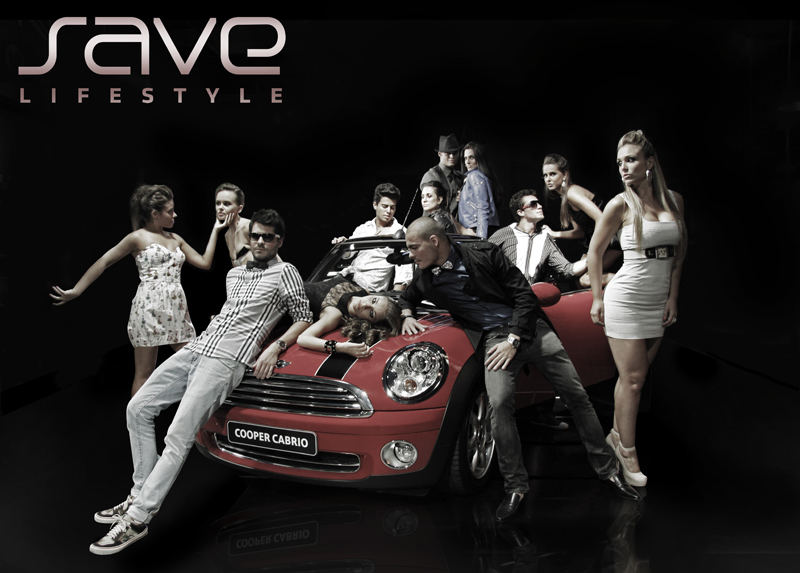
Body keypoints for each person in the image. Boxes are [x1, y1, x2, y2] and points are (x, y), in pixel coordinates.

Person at [89, 209, 313, 555]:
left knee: (178, 436)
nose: (259, 242)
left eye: (268, 237)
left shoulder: (286, 272)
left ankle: (137, 519)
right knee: (138, 408)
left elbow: (303, 316)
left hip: (226, 360)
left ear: (279, 240)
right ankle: (137, 494)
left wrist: (276, 347)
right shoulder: (235, 274)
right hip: (198, 347)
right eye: (255, 235)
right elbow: (230, 313)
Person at [400, 218, 640, 523]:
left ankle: (608, 471)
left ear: (434, 241)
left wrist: (514, 338)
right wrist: (407, 314)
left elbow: (525, 295)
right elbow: (407, 297)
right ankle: (515, 486)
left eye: (413, 247)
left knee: (577, 396)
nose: (410, 254)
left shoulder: (486, 253)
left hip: (529, 330)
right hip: (494, 340)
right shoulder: (425, 276)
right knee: (499, 405)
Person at [51, 184, 230, 396]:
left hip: (176, 309)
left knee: (197, 361)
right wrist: (77, 290)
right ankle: (136, 418)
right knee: (144, 374)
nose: (175, 215)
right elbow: (104, 261)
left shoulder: (176, 239)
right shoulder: (137, 237)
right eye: (170, 211)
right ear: (155, 214)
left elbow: (204, 263)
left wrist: (215, 230)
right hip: (148, 309)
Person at [587, 130, 687, 488]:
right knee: (633, 379)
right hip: (626, 299)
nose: (624, 167)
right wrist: (598, 297)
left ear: (650, 163)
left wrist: (672, 297)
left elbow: (679, 254)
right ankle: (627, 452)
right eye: (620, 162)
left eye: (630, 160)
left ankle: (616, 435)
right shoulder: (620, 204)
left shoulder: (674, 200)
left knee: (632, 380)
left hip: (657, 300)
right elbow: (595, 252)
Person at [542, 154, 620, 286]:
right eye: (545, 175)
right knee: (576, 276)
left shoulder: (572, 193)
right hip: (597, 239)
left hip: (612, 238)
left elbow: (601, 218)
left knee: (585, 280)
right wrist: (554, 234)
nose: (548, 179)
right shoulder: (565, 198)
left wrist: (593, 250)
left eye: (552, 174)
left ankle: (635, 281)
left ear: (564, 174)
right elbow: (580, 232)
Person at [489, 190, 587, 286]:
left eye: (539, 203)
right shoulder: (505, 233)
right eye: (533, 204)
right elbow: (482, 258)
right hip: (504, 292)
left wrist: (590, 259)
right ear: (521, 212)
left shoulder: (544, 237)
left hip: (528, 293)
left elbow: (566, 269)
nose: (540, 206)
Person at [332, 183, 413, 292]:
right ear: (375, 205)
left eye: (392, 207)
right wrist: (343, 244)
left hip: (368, 289)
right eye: (385, 206)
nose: (389, 211)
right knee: (313, 290)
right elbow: (347, 255)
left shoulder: (400, 233)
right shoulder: (363, 228)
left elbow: (404, 270)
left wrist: (396, 295)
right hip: (346, 278)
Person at [298, 275, 402, 357]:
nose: (365, 305)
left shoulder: (334, 315)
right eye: (374, 300)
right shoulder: (363, 291)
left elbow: (303, 338)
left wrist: (340, 347)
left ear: (369, 321)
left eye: (371, 313)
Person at [459, 141, 499, 239]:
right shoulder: (481, 176)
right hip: (481, 226)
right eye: (465, 158)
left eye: (471, 157)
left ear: (479, 158)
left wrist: (481, 239)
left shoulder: (474, 176)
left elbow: (482, 207)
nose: (467, 162)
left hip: (477, 228)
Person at [420, 134, 465, 217]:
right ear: (439, 154)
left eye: (455, 153)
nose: (452, 156)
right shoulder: (431, 176)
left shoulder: (459, 177)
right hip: (434, 222)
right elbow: (431, 210)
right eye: (448, 153)